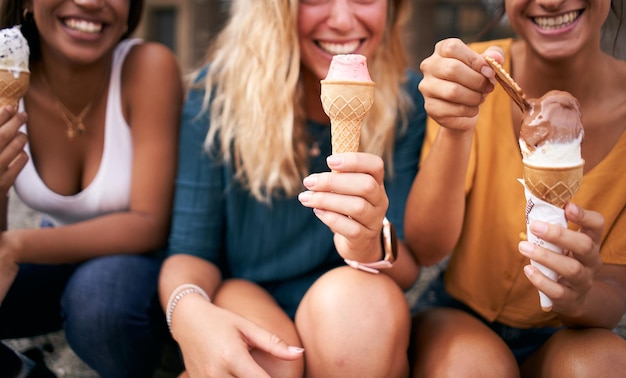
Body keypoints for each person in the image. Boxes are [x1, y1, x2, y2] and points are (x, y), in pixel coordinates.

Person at [158, 0, 426, 376]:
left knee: (362, 309)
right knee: (272, 361)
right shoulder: (215, 98)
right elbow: (190, 251)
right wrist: (187, 312)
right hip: (246, 293)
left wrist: (368, 242)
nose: (342, 20)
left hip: (354, 311)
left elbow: (409, 268)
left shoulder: (407, 100)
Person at [405, 0, 626, 376]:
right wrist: (456, 129)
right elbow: (426, 248)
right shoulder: (469, 77)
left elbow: (615, 293)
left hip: (570, 332)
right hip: (461, 316)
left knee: (601, 365)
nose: (552, 0)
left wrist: (583, 296)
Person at [0, 0, 183, 377]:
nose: (90, 1)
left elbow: (149, 224)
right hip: (51, 255)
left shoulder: (148, 66)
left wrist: (15, 246)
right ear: (28, 4)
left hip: (136, 262)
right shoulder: (9, 77)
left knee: (100, 307)